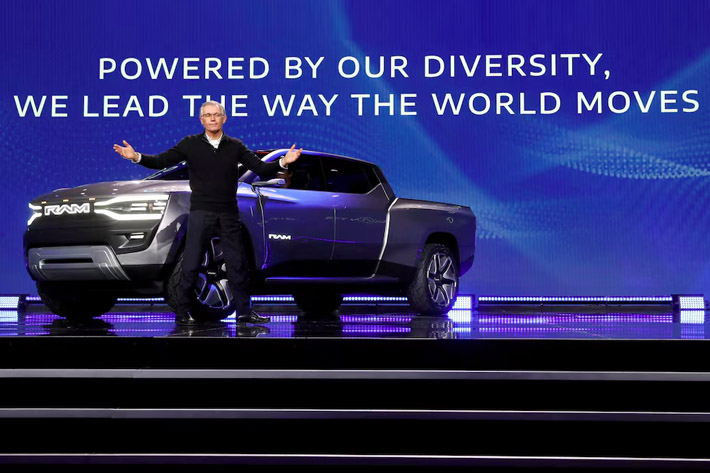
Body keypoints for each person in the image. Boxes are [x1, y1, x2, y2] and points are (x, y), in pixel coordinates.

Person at [113, 100, 302, 325]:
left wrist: (283, 162)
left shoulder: (235, 145)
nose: (212, 118)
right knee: (191, 262)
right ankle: (183, 311)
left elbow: (260, 168)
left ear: (224, 119)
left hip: (229, 214)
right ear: (202, 120)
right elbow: (161, 161)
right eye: (208, 115)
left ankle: (243, 312)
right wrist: (136, 157)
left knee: (237, 264)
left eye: (217, 115)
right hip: (201, 212)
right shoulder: (190, 144)